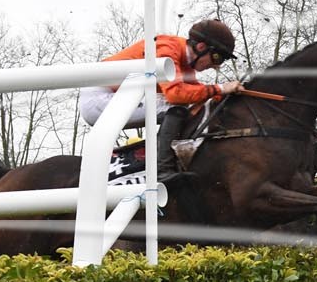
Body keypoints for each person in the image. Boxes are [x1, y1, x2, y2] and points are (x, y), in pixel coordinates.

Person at [80, 18, 243, 175]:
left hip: (118, 98)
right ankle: (163, 168)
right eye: (217, 58)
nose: (216, 66)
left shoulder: (185, 63)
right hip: (98, 99)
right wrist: (221, 88)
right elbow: (175, 95)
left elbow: (198, 93)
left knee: (189, 103)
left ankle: (166, 161)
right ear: (201, 47)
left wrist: (228, 95)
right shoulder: (167, 49)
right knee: (177, 105)